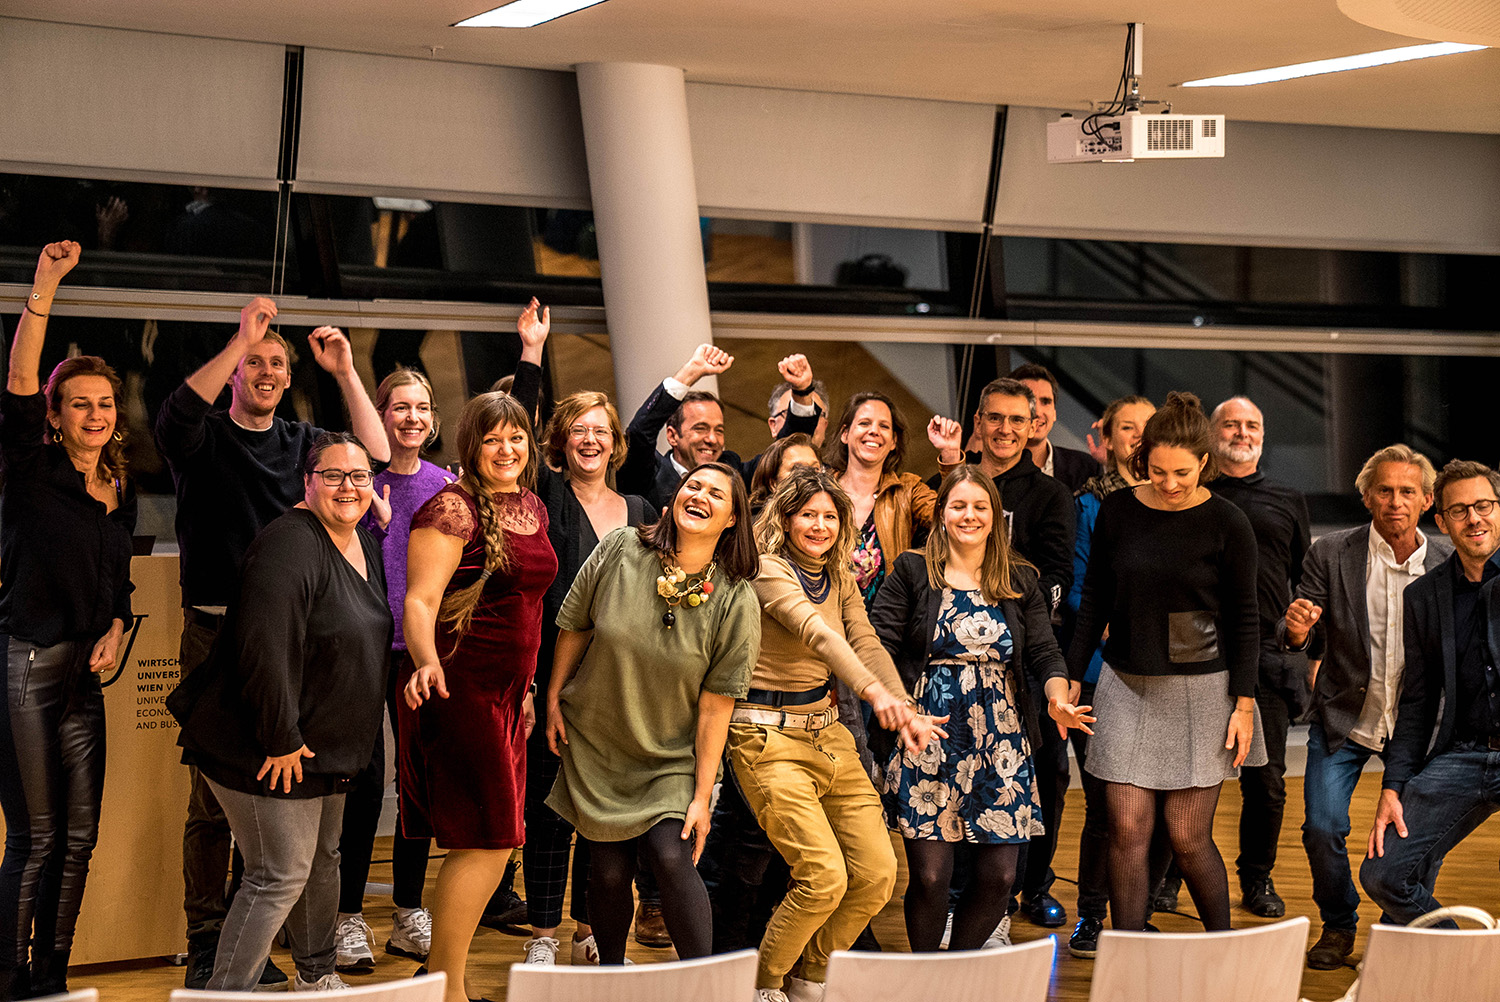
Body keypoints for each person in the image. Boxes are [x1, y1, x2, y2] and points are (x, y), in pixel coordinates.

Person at [155, 296, 388, 989]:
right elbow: (175, 418)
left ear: (290, 378)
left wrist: (345, 372)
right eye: (253, 363)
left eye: (276, 363)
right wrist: (242, 339)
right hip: (221, 630)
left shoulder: (303, 448)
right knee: (219, 804)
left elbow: (373, 458)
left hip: (300, 643)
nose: (264, 370)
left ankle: (280, 956)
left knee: (298, 844)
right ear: (234, 373)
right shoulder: (208, 437)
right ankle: (211, 947)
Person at [731, 468, 945, 1002]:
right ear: (785, 517)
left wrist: (903, 704)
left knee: (876, 872)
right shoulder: (767, 569)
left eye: (830, 516)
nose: (819, 526)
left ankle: (809, 977)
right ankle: (764, 986)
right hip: (766, 738)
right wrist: (876, 696)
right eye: (808, 514)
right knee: (823, 876)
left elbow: (866, 641)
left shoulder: (840, 575)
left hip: (828, 735)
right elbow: (817, 634)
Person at [545, 463, 761, 966]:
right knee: (610, 871)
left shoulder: (735, 597)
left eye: (716, 494)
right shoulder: (622, 548)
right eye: (694, 486)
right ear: (675, 496)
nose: (700, 496)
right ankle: (614, 979)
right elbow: (574, 625)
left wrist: (703, 796)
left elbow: (716, 705)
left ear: (732, 519)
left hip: (671, 755)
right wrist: (554, 697)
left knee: (670, 854)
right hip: (598, 741)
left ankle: (707, 988)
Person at [1067, 391, 1265, 933]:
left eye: (1182, 472)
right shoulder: (1117, 511)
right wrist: (1067, 679)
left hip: (1204, 690)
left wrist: (1244, 704)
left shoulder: (1228, 522)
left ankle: (1223, 946)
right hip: (1125, 685)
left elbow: (1246, 619)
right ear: (1141, 460)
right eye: (1157, 471)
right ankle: (1128, 954)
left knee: (1185, 835)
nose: (1171, 483)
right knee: (1126, 828)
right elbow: (1094, 606)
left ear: (1204, 463)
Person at [873, 467, 1092, 955]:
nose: (969, 515)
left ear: (996, 517)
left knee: (1000, 877)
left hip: (1002, 739)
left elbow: (1044, 653)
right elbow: (877, 644)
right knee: (930, 877)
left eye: (980, 507)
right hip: (926, 732)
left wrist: (1057, 697)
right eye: (958, 506)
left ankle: (959, 968)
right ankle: (925, 976)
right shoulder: (912, 571)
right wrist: (900, 706)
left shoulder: (1019, 577)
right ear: (942, 514)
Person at [0, 242, 136, 999]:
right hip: (25, 661)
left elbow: (115, 592)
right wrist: (44, 288)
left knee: (79, 839)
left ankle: (52, 975)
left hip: (87, 676)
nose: (94, 413)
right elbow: (21, 378)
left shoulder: (120, 484)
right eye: (78, 402)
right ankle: (10, 976)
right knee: (36, 836)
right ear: (54, 416)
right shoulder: (28, 468)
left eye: (105, 403)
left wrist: (118, 631)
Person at [504, 301, 655, 966]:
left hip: (621, 691)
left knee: (606, 822)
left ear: (616, 442)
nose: (591, 439)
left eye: (602, 430)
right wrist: (531, 354)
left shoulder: (644, 511)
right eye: (579, 430)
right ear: (560, 441)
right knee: (549, 814)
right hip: (554, 683)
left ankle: (591, 927)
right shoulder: (544, 495)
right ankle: (541, 935)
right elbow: (516, 425)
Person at [401, 391, 558, 1002]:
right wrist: (426, 662)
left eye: (516, 437)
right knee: (488, 841)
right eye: (492, 438)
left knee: (497, 839)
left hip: (508, 694)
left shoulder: (533, 507)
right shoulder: (450, 511)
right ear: (471, 444)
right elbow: (419, 600)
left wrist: (528, 688)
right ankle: (445, 990)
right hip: (458, 686)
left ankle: (444, 984)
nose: (506, 449)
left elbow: (531, 607)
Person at [1277, 443, 1449, 969]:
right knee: (1322, 827)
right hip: (1346, 718)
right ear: (1367, 498)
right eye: (1384, 491)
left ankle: (1406, 928)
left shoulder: (1446, 561)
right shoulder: (1331, 552)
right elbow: (1298, 636)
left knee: (1418, 838)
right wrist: (1298, 633)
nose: (1395, 501)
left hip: (1421, 726)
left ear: (1425, 501)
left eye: (1407, 492)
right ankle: (1339, 923)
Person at [333, 368, 452, 972]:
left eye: (421, 407)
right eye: (398, 406)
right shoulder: (355, 481)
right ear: (377, 415)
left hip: (419, 652)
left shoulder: (446, 485)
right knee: (361, 778)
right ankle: (347, 915)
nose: (411, 417)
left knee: (417, 784)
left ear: (433, 420)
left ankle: (408, 911)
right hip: (364, 649)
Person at [1361, 460, 1500, 922]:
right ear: (1440, 521)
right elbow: (1418, 702)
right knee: (1384, 875)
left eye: (1483, 506)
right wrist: (1393, 786)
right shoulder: (1424, 596)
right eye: (1459, 511)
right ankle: (1460, 959)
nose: (1474, 518)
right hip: (1465, 755)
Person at [966, 376, 1076, 930]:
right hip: (960, 656)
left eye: (1017, 420)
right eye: (995, 418)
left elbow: (1057, 575)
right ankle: (978, 890)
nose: (1005, 430)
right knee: (971, 766)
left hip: (1025, 652)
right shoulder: (958, 486)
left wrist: (1013, 606)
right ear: (979, 422)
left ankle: (1034, 884)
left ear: (1033, 425)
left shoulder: (1052, 496)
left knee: (1045, 771)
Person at [1207, 396, 1311, 920]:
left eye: (1252, 424)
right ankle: (1165, 878)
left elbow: (1302, 580)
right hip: (1199, 656)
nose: (1242, 432)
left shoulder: (1287, 499)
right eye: (1232, 424)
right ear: (1212, 432)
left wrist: (1300, 639)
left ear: (1262, 435)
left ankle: (1257, 878)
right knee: (1185, 778)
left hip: (1264, 659)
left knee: (1266, 784)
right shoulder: (1195, 494)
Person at [1063, 393, 1155, 958]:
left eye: (1149, 428)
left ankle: (1137, 916)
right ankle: (1094, 917)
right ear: (1108, 437)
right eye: (1128, 427)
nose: (1139, 437)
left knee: (1163, 807)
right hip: (1104, 673)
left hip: (1168, 679)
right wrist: (1122, 632)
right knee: (1106, 807)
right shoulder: (1088, 505)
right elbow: (1078, 589)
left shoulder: (1184, 502)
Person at [621, 348, 822, 511]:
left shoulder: (733, 472)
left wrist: (802, 391)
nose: (712, 439)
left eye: (719, 430)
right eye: (700, 428)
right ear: (673, 435)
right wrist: (691, 372)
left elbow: (786, 451)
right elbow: (639, 435)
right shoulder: (649, 474)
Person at [1010, 363, 1098, 492]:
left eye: (1046, 402)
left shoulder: (1085, 466)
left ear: (1054, 413)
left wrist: (1112, 462)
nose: (1038, 412)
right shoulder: (993, 468)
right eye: (1029, 402)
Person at [748, 434, 821, 514]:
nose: (810, 475)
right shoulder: (755, 523)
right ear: (773, 484)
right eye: (797, 469)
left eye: (815, 469)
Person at [768, 377, 830, 447]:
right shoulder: (762, 458)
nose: (805, 423)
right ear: (773, 426)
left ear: (825, 425)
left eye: (814, 414)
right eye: (790, 414)